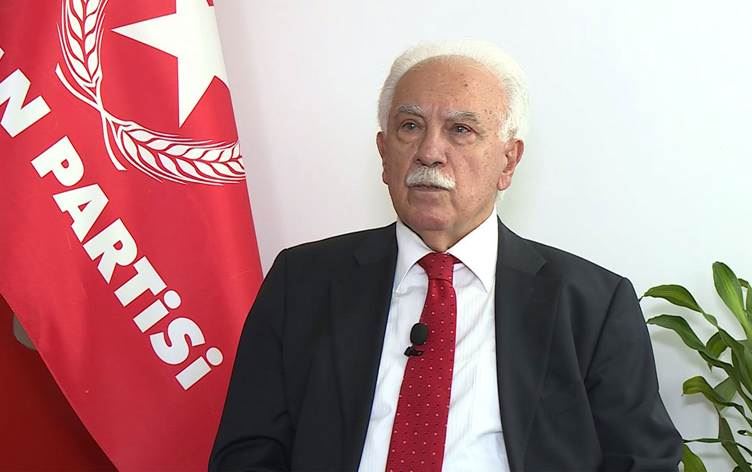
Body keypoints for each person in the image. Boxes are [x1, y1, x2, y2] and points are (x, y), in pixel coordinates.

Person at [210, 40, 682, 472]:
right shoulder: (302, 282)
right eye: (410, 127)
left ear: (508, 161)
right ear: (383, 154)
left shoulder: (592, 304)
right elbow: (246, 454)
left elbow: (643, 462)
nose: (430, 151)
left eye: (460, 130)